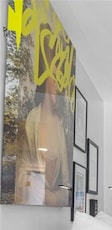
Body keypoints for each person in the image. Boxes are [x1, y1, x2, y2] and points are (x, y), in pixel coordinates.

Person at [14, 25, 71, 206]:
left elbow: (67, 183)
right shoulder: (30, 122)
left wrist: (56, 197)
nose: (58, 86)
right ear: (46, 80)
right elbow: (20, 171)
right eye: (55, 78)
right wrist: (40, 191)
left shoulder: (61, 128)